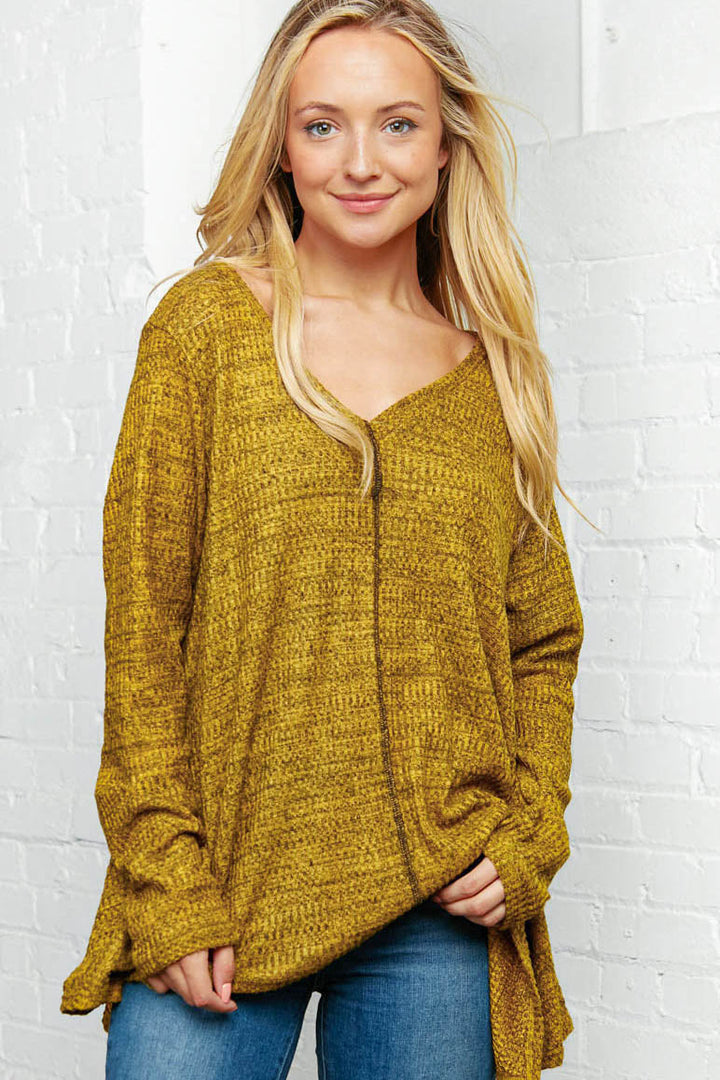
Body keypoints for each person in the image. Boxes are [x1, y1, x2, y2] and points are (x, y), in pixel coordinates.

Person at [60, 2, 589, 1077]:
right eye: (321, 126)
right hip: (221, 887)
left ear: (445, 148)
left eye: (397, 124)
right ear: (283, 148)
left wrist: (528, 830)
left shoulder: (491, 376)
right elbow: (144, 629)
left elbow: (541, 638)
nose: (360, 162)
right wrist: (167, 876)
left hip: (438, 906)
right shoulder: (206, 331)